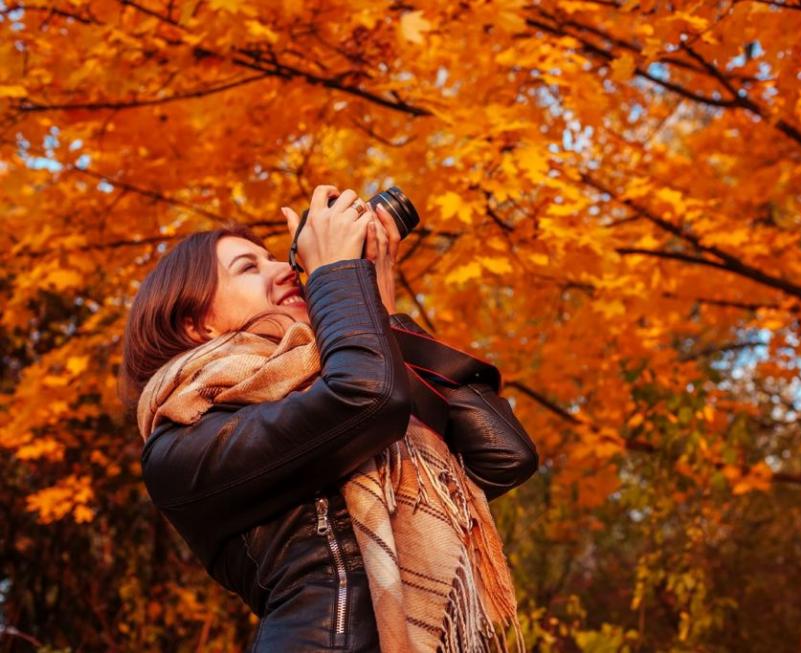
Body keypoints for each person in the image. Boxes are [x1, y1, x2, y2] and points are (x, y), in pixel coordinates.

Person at [119, 184, 539, 651]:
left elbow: (503, 455)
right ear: (198, 325)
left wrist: (380, 310)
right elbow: (364, 398)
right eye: (247, 267)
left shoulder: (346, 371)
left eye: (274, 256)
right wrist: (338, 275)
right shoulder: (182, 446)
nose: (284, 268)